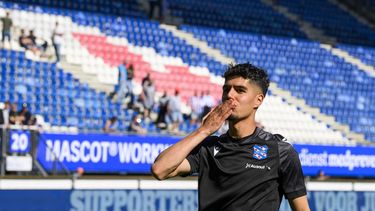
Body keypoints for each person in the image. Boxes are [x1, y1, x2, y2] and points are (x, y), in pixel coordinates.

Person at [152, 63, 310, 211]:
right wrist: (203, 131)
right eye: (226, 89)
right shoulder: (208, 147)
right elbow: (160, 170)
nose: (230, 95)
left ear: (258, 100)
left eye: (240, 90)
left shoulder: (280, 151)